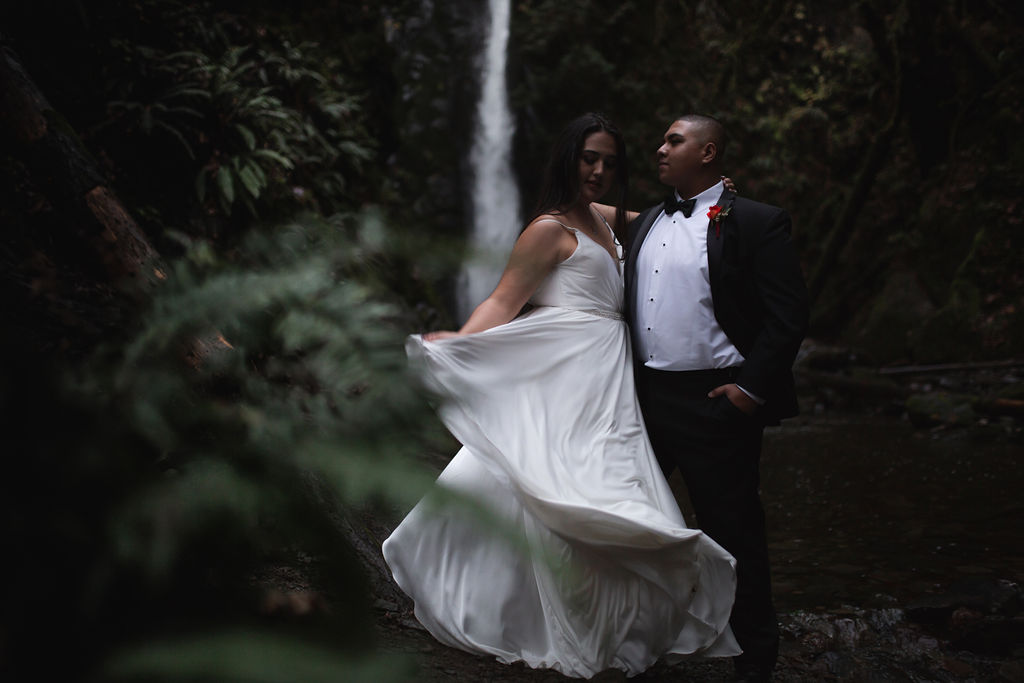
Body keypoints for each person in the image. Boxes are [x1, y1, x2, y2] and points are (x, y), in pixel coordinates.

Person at [382, 113, 741, 678]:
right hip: (564, 373)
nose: (598, 171)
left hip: (609, 376)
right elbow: (504, 300)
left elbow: (666, 219)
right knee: (556, 482)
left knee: (606, 481)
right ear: (568, 157)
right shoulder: (548, 228)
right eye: (588, 158)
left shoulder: (602, 220)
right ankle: (526, 610)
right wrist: (461, 340)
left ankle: (616, 620)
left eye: (609, 162)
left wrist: (718, 201)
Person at [624, 114, 809, 682]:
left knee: (733, 529)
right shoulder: (647, 219)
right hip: (644, 399)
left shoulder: (755, 221)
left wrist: (749, 392)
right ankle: (635, 640)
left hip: (715, 398)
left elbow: (788, 317)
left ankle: (756, 659)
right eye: (661, 139)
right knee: (630, 520)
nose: (660, 148)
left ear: (708, 153)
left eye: (673, 141)